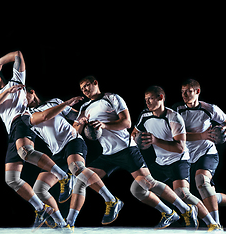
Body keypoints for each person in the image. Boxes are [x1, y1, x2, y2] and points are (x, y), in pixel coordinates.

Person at [73, 76, 198, 229]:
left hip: (126, 149)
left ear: (95, 83)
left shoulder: (112, 98)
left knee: (148, 183)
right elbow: (75, 131)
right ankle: (78, 219)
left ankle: (186, 209)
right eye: (82, 88)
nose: (85, 90)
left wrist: (104, 125)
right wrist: (82, 123)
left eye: (87, 85)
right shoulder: (85, 107)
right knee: (81, 178)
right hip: (107, 153)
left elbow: (126, 122)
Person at [0, 50, 82, 228]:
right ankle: (41, 209)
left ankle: (63, 177)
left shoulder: (16, 81)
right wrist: (7, 93)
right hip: (11, 133)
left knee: (25, 152)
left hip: (22, 121)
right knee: (11, 179)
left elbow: (18, 54)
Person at [25, 87, 117, 231]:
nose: (21, 100)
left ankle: (111, 200)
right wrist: (67, 103)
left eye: (22, 96)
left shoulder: (54, 102)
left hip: (72, 141)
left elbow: (77, 117)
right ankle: (62, 223)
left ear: (31, 92)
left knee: (77, 168)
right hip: (57, 152)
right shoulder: (26, 114)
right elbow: (44, 116)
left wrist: (86, 119)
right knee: (39, 189)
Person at [132, 85, 222, 232]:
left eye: (150, 99)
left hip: (179, 161)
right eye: (145, 99)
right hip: (160, 162)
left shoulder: (174, 117)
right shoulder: (145, 115)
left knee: (183, 193)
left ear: (161, 98)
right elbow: (134, 133)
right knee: (137, 189)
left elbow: (180, 147)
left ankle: (213, 224)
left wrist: (155, 141)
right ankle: (171, 213)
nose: (147, 102)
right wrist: (137, 140)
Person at [172, 79, 226, 229]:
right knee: (194, 194)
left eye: (188, 91)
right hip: (185, 156)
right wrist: (201, 135)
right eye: (182, 91)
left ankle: (216, 226)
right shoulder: (177, 109)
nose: (184, 94)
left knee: (202, 181)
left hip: (206, 152)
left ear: (197, 91)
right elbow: (176, 135)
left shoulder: (209, 109)